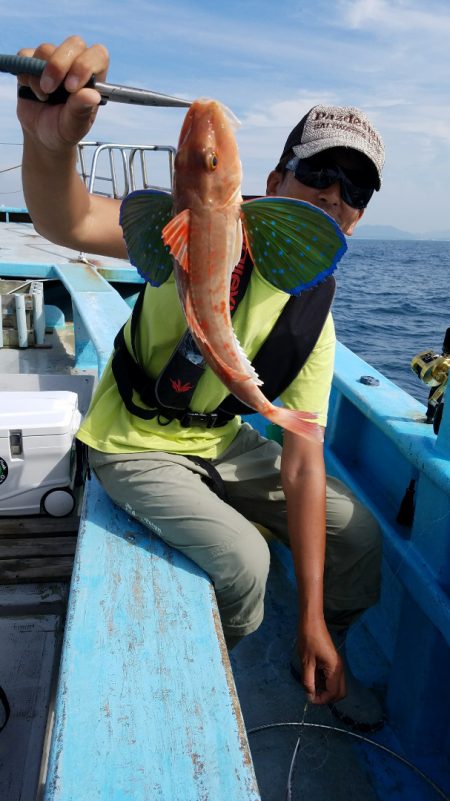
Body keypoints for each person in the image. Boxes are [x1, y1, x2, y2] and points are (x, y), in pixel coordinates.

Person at [17, 37, 384, 731]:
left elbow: (303, 461)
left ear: (360, 214)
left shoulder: (313, 310)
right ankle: (196, 690)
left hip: (220, 440)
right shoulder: (186, 222)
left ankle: (316, 651)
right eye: (319, 171)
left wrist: (311, 615)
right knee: (246, 565)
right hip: (133, 440)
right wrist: (49, 145)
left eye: (355, 189)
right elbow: (69, 220)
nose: (334, 194)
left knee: (357, 534)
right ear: (271, 178)